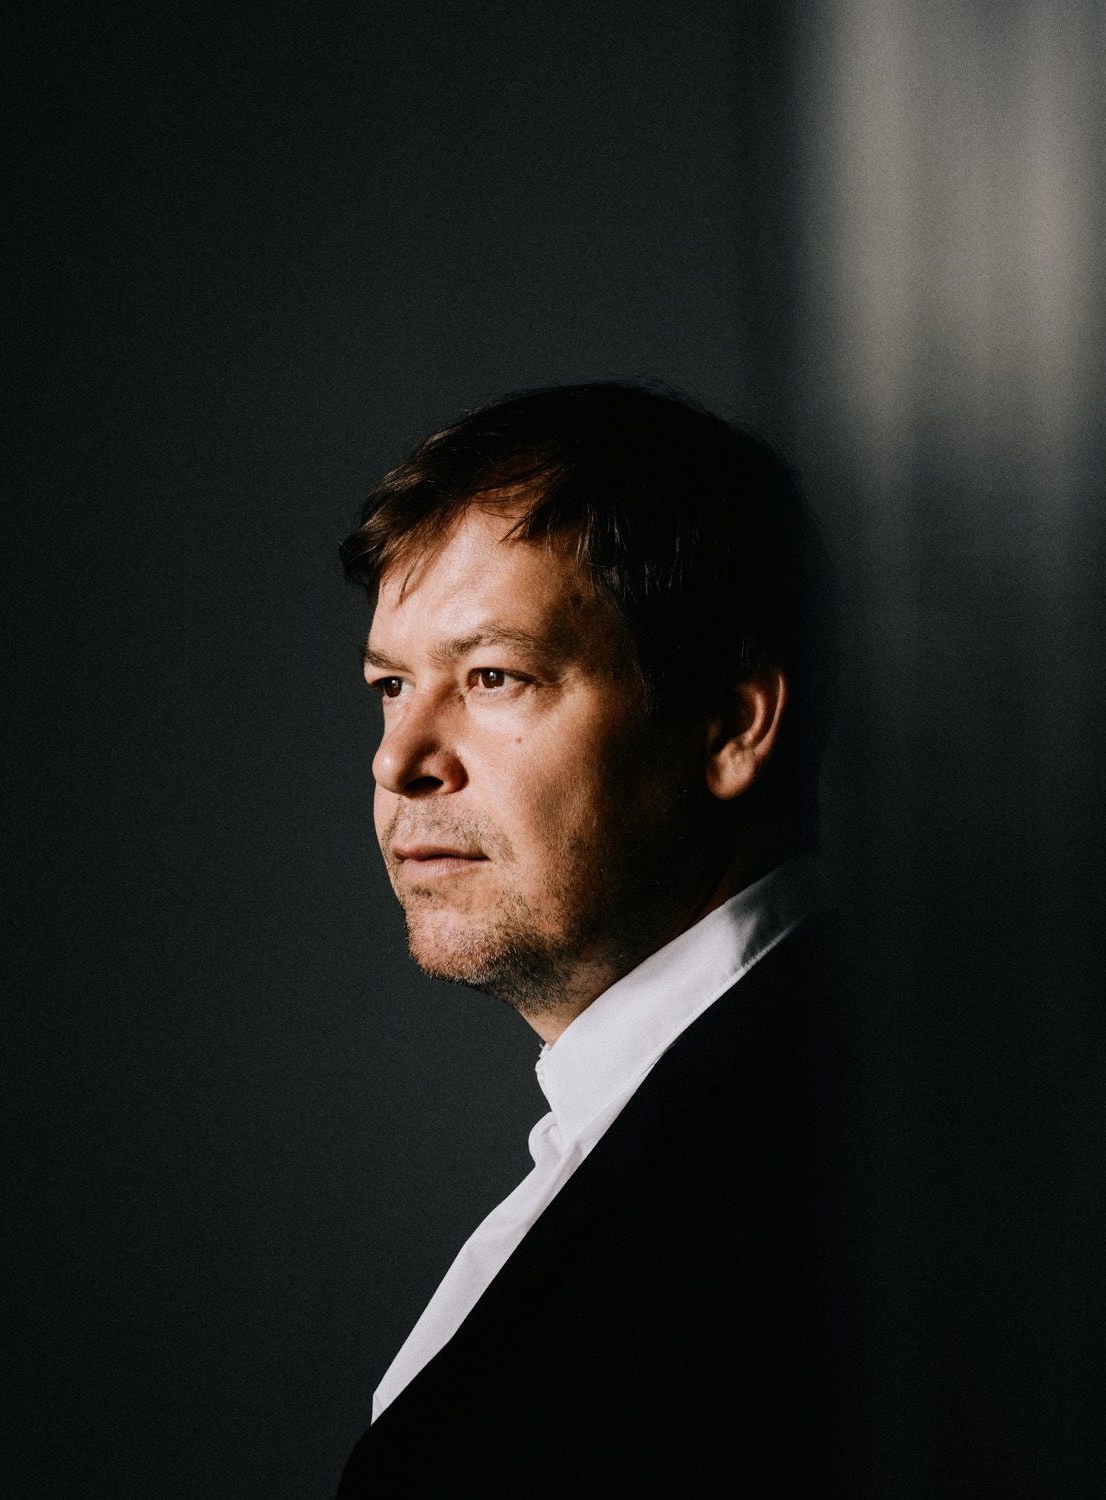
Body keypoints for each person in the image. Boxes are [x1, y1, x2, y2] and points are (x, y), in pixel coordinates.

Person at [334, 383, 858, 1495]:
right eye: (390, 685)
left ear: (731, 726)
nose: (399, 760)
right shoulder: (677, 1116)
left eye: (493, 677)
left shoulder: (841, 1164)